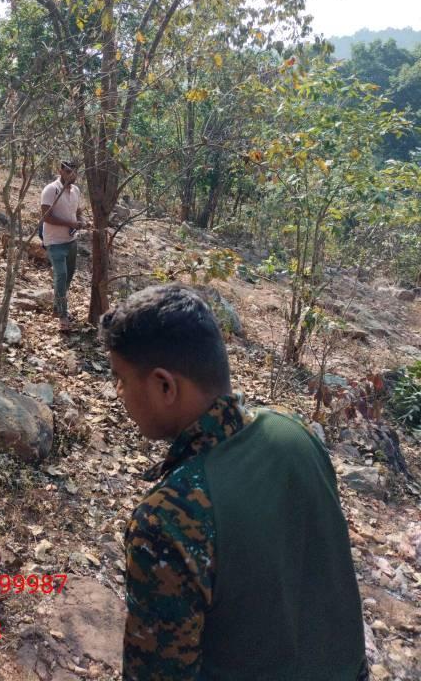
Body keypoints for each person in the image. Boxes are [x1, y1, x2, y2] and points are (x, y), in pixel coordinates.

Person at [99, 283, 368, 681]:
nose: (119, 392)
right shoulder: (294, 433)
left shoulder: (167, 517)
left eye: (121, 378)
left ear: (164, 386)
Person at [41, 160, 87, 332]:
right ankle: (63, 315)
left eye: (74, 172)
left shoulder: (76, 190)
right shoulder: (50, 190)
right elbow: (46, 216)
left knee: (68, 277)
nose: (71, 175)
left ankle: (57, 307)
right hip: (54, 241)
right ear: (60, 171)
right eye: (68, 171)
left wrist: (81, 221)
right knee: (61, 275)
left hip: (71, 240)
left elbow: (78, 211)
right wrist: (70, 223)